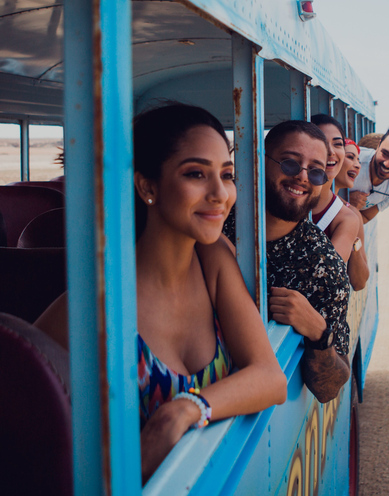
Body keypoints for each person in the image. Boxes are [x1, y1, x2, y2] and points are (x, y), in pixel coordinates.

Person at [35, 103, 287, 482]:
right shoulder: (91, 310)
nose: (221, 193)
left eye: (227, 174)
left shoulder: (213, 259)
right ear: (147, 186)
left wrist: (183, 410)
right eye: (196, 174)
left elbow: (270, 378)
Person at [263, 120, 350, 403]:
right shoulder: (217, 223)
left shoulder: (323, 267)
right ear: (260, 161)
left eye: (315, 172)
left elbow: (330, 388)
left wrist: (318, 331)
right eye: (289, 163)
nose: (302, 177)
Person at [309, 114, 368, 290]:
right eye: (321, 142)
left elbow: (358, 283)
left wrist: (353, 240)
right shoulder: (289, 200)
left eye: (337, 144)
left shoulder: (348, 216)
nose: (331, 151)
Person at [334, 138, 370, 290]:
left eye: (358, 160)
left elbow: (360, 283)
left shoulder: (352, 213)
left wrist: (353, 242)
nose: (357, 165)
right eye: (350, 157)